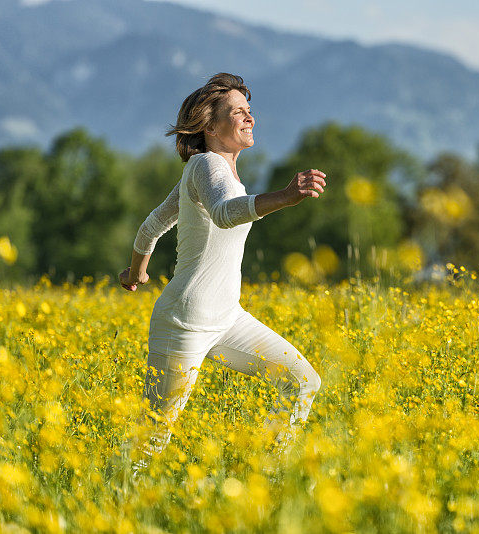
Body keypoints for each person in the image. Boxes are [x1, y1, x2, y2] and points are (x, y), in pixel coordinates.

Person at [117, 72, 327, 477]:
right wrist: (284, 197)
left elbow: (152, 225)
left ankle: (266, 477)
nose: (249, 118)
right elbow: (225, 214)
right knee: (151, 442)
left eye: (249, 111)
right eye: (237, 113)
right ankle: (108, 502)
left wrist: (136, 272)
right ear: (210, 127)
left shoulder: (210, 173)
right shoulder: (206, 165)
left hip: (228, 319)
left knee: (302, 381)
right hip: (185, 323)